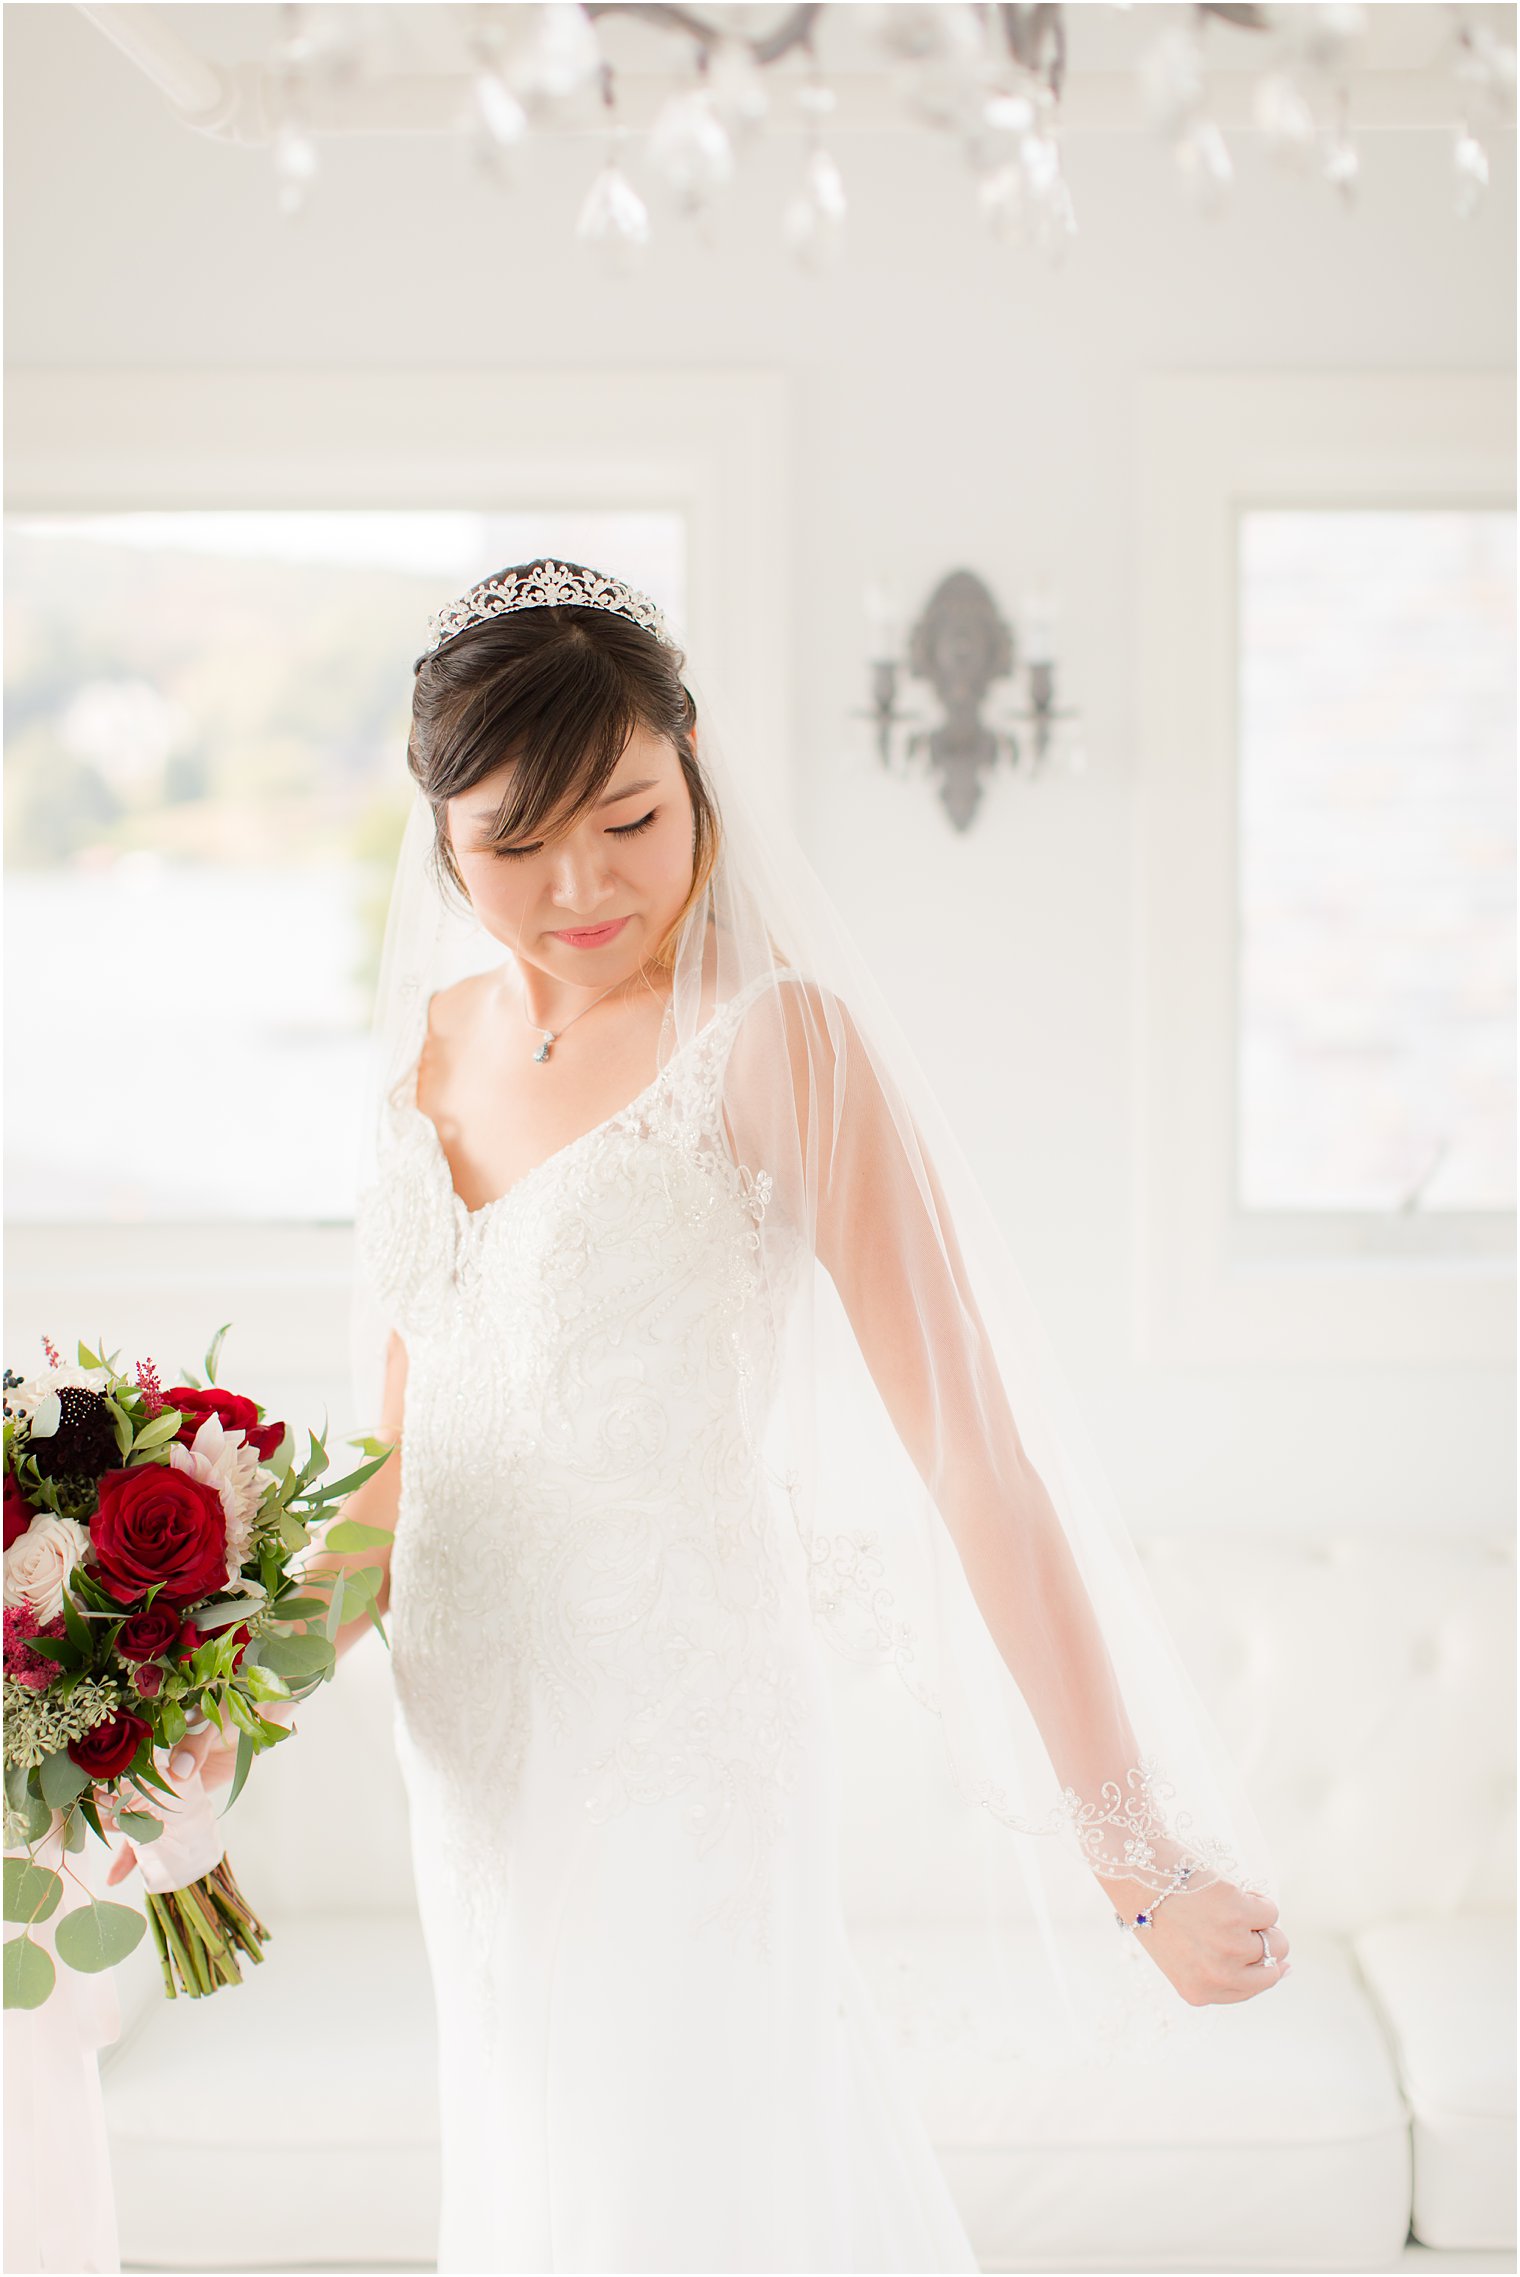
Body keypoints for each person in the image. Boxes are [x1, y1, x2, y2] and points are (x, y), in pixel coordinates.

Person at [243, 561, 1296, 2273]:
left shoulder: (774, 1041)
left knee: (699, 2189)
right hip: (473, 1772)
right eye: (515, 842)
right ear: (439, 837)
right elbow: (394, 1472)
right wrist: (205, 1715)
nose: (581, 886)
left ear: (697, 771)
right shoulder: (426, 1054)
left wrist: (1140, 1867)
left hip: (677, 1747)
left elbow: (978, 1456)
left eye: (631, 818)